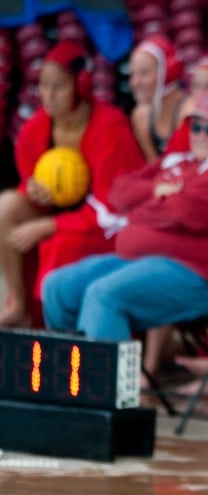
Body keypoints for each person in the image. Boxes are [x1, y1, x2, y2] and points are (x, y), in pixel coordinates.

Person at [41, 89, 208, 344]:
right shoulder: (179, 162)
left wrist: (139, 211)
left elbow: (185, 212)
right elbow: (119, 193)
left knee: (104, 294)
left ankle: (106, 384)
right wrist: (156, 192)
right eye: (196, 127)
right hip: (144, 261)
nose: (201, 135)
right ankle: (71, 377)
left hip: (206, 277)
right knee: (57, 287)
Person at [0, 41, 144, 327]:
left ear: (80, 85)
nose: (48, 96)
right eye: (43, 85)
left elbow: (112, 209)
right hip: (63, 213)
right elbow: (28, 178)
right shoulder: (36, 128)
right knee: (6, 208)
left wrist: (50, 225)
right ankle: (18, 304)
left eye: (58, 86)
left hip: (108, 225)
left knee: (61, 244)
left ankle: (60, 331)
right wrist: (34, 193)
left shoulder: (109, 127)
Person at [129, 35, 187, 162]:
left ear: (167, 72)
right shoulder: (141, 117)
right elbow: (155, 167)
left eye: (144, 73)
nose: (135, 82)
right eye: (133, 74)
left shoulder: (189, 112)